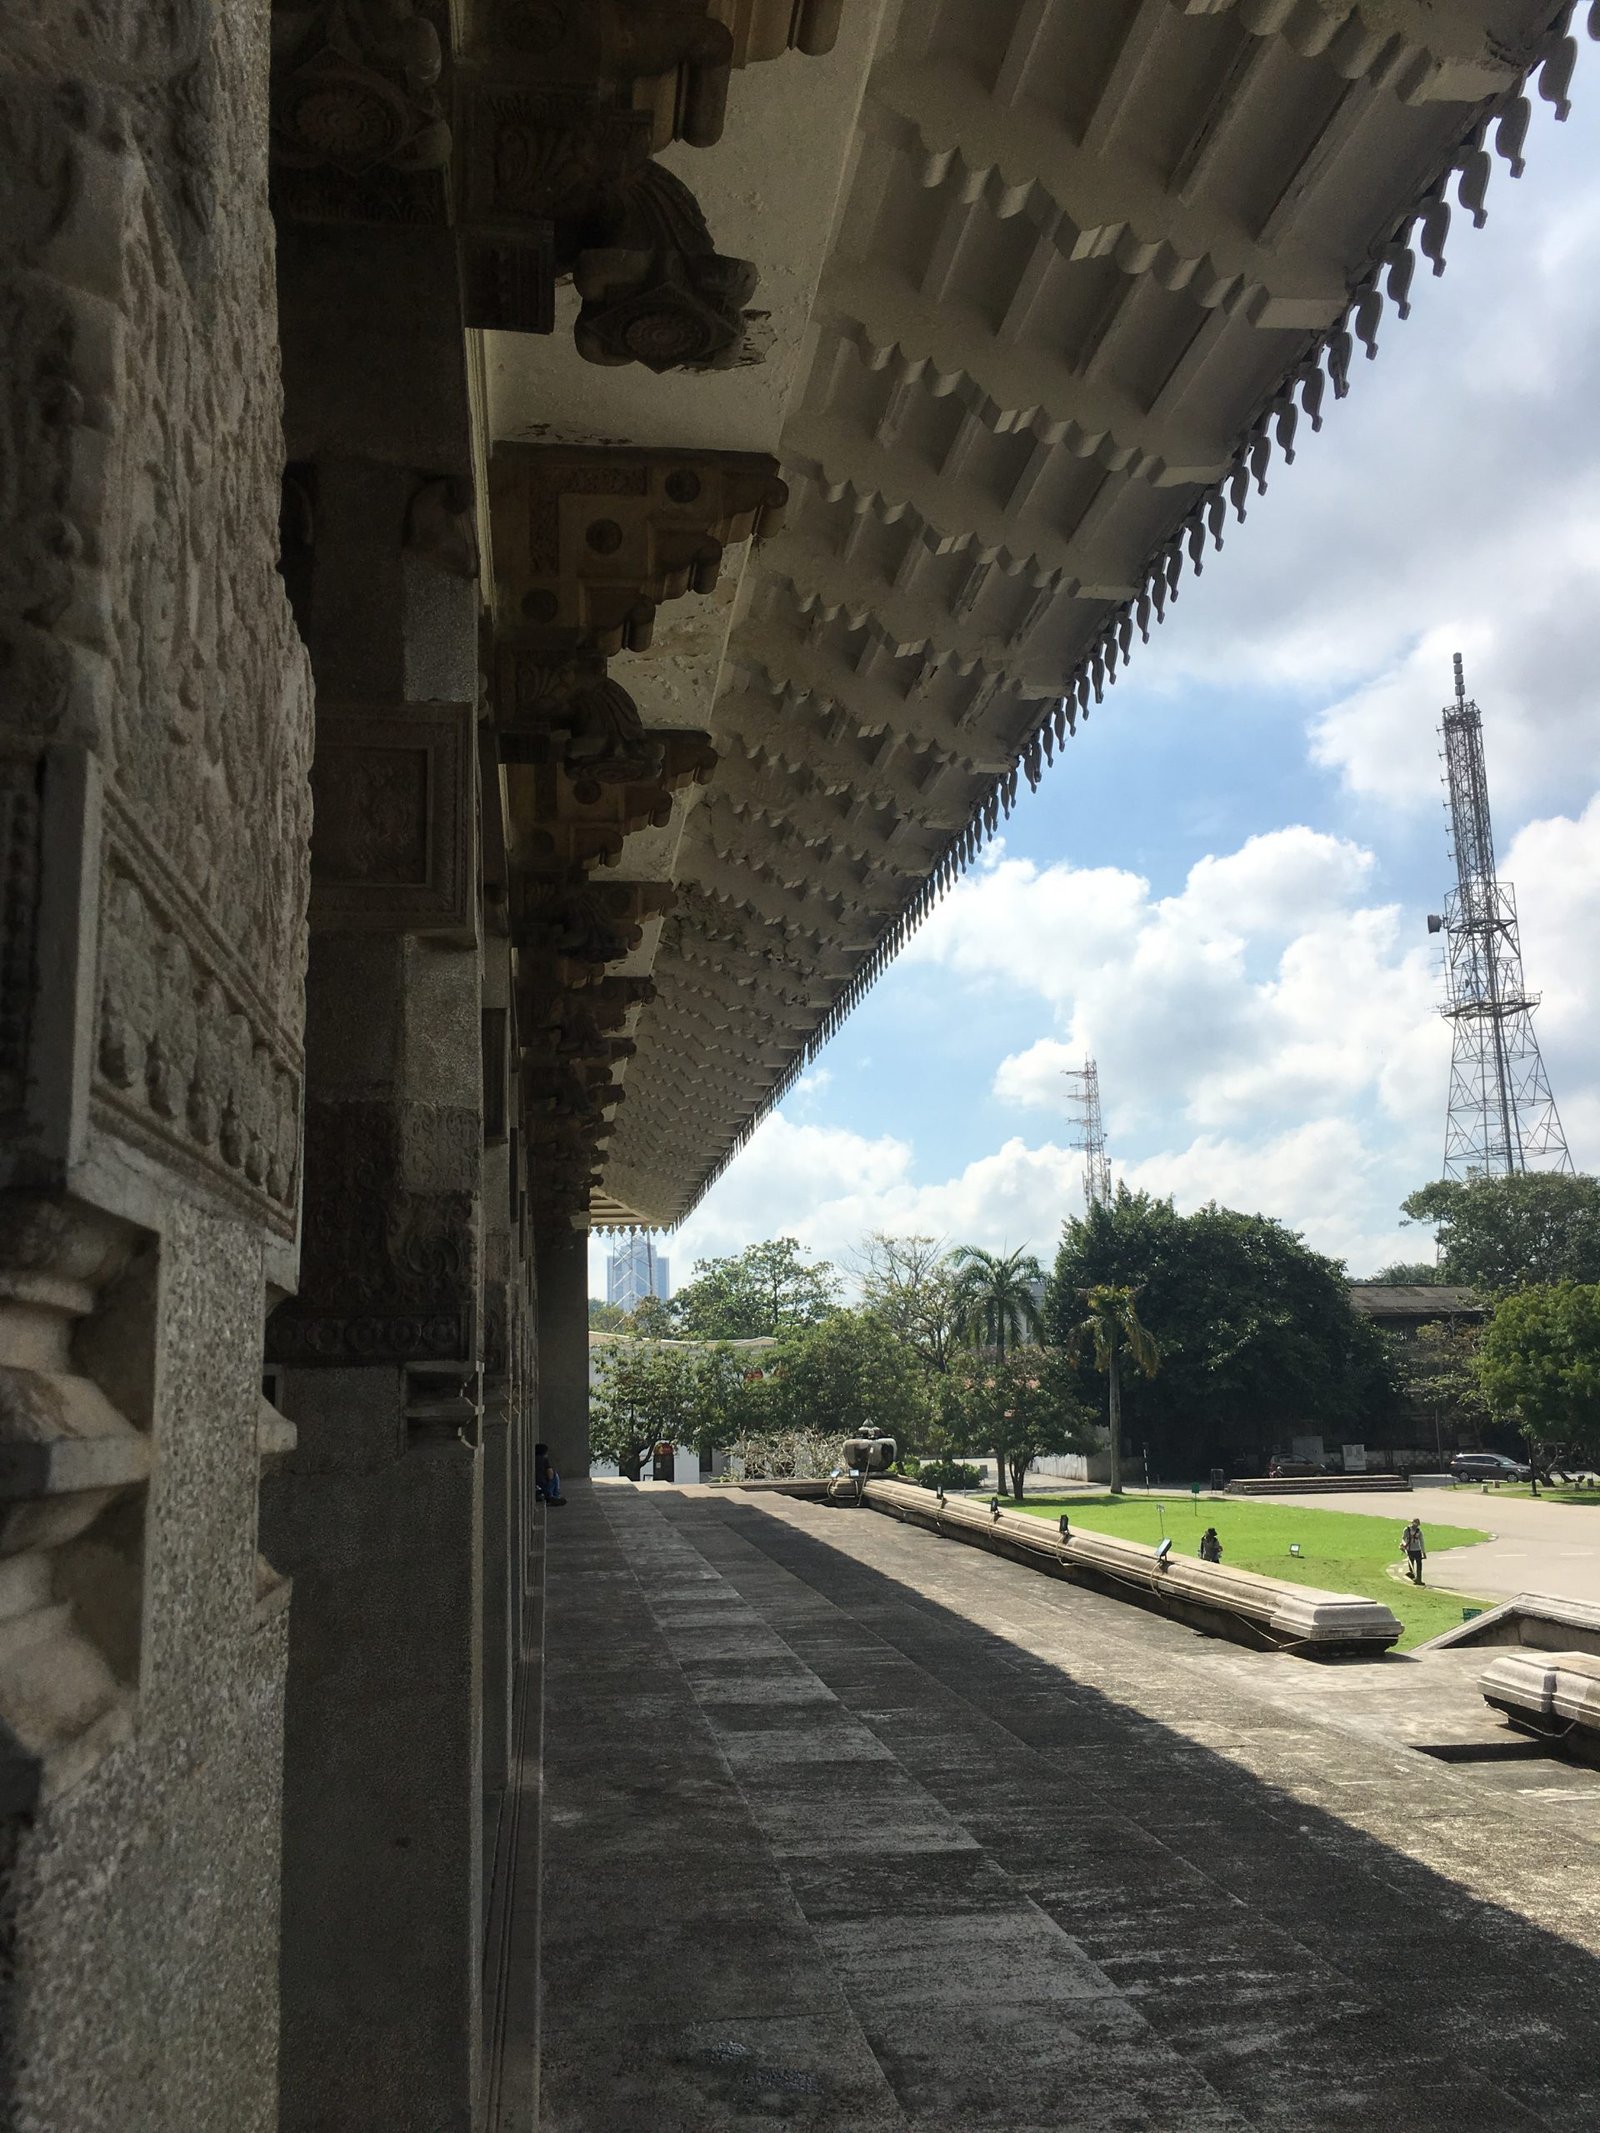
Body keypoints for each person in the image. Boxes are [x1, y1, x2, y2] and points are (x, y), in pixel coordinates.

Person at [535, 1442, 566, 1507]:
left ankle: (547, 1496)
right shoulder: (544, 1459)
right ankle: (554, 1495)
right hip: (544, 1484)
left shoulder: (535, 1459)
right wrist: (550, 1481)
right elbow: (550, 1471)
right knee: (555, 1474)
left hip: (537, 1483)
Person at [1401, 1516, 1425, 1584]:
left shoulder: (1419, 1531)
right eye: (1415, 1524)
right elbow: (1403, 1538)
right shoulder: (1406, 1530)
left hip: (1417, 1550)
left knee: (1419, 1565)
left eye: (1417, 1525)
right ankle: (1413, 1577)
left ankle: (1419, 1580)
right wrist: (1404, 1544)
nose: (1416, 1526)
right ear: (1412, 1523)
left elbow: (1422, 1542)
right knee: (1411, 1565)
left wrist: (1423, 1552)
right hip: (1410, 1550)